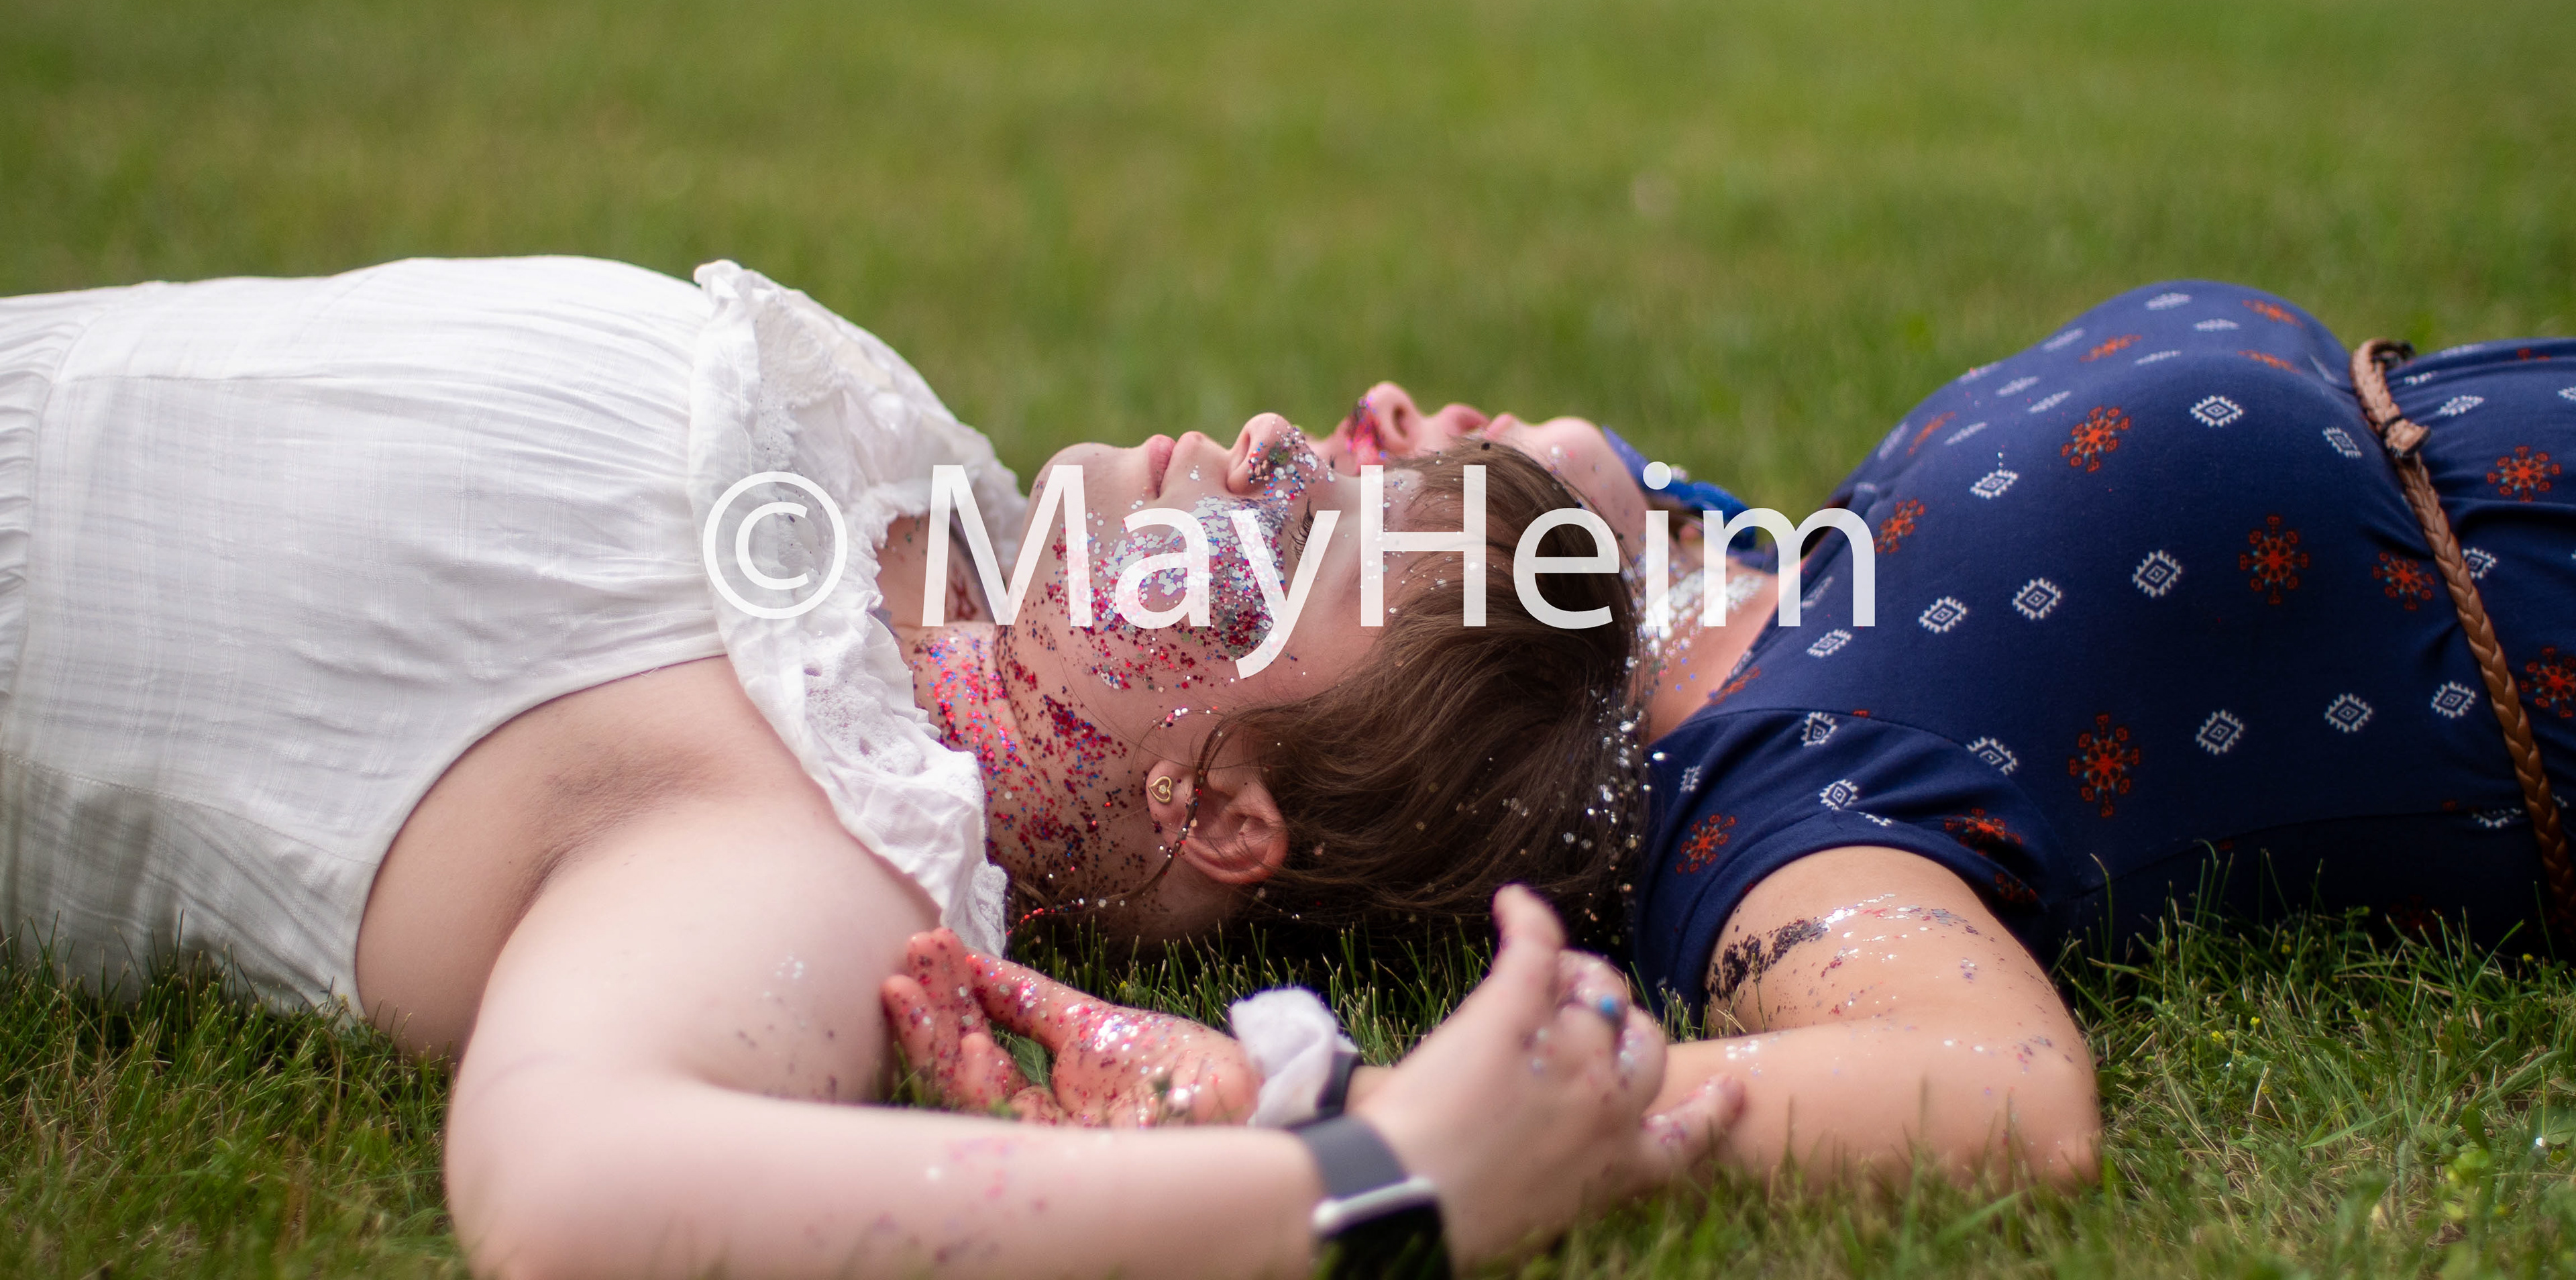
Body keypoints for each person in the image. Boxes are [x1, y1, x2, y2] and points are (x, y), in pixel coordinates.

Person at [0, 255, 1741, 1278]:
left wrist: (1361, 1189)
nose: (1276, 436)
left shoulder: (813, 846)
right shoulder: (903, 510)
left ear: (1219, 808)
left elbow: (570, 1186)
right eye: (1338, 457)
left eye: (1294, 527)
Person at [898, 279, 2576, 1193]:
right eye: (1212, 543)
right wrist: (1343, 1101)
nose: (1269, 437)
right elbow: (1999, 1097)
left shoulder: (1721, 611)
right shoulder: (1769, 808)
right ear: (1225, 812)